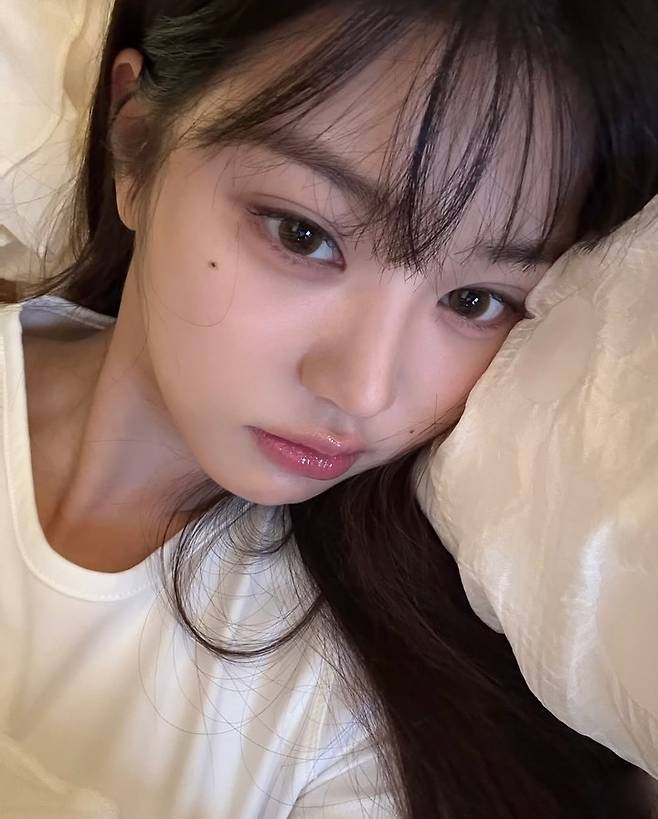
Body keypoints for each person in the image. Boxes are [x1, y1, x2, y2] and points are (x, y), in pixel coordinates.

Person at [1, 1, 656, 817]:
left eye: (475, 299)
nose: (365, 391)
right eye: (303, 235)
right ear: (134, 144)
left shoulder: (371, 719)